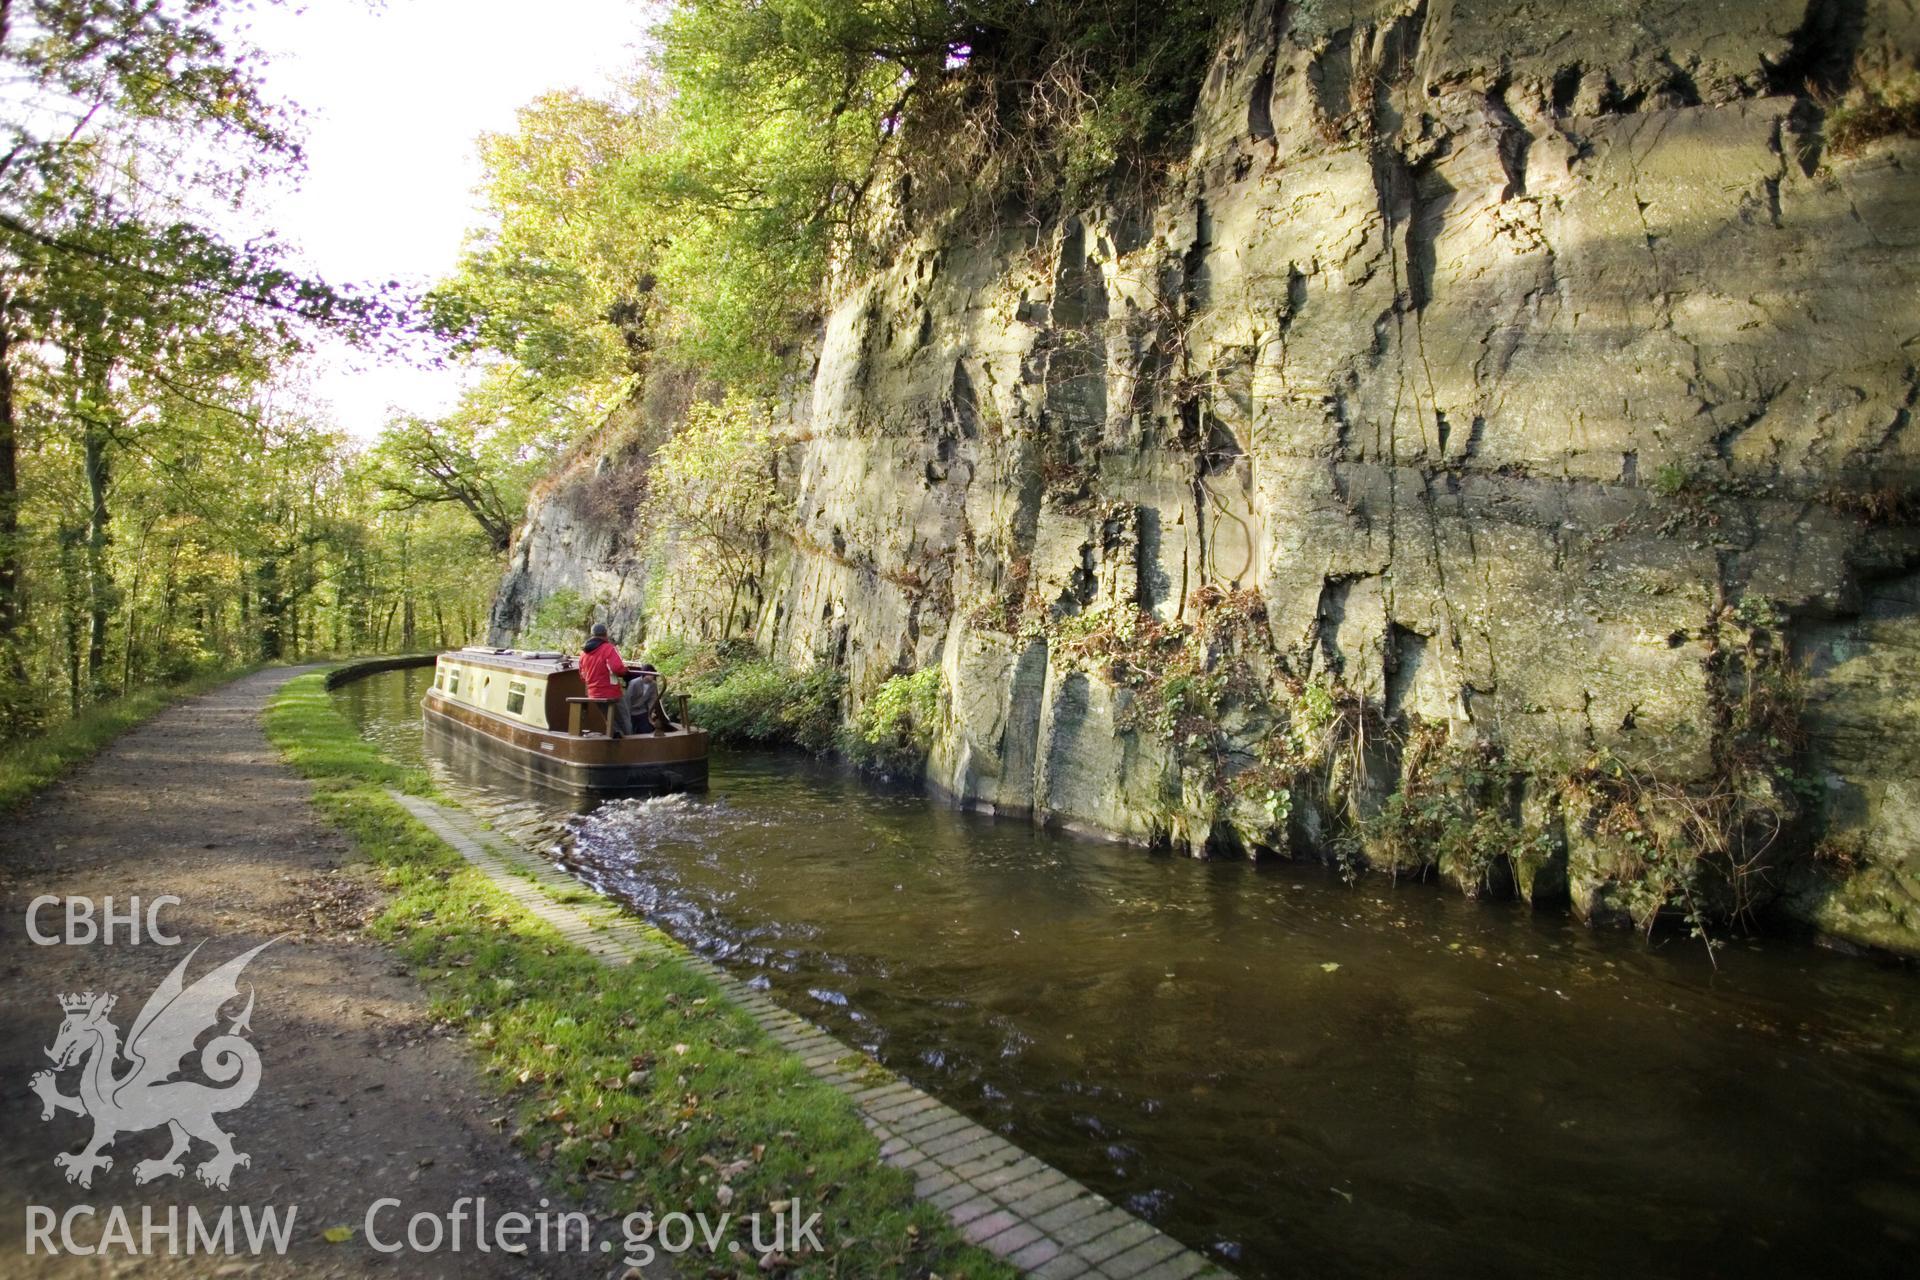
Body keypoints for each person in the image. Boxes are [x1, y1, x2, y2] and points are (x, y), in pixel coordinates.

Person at [579, 622, 639, 737]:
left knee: (609, 720)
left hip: (594, 694)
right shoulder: (608, 648)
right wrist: (625, 671)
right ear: (605, 634)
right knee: (624, 718)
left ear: (592, 635)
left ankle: (616, 742)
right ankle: (631, 744)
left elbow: (582, 676)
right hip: (611, 693)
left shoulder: (583, 653)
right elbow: (617, 668)